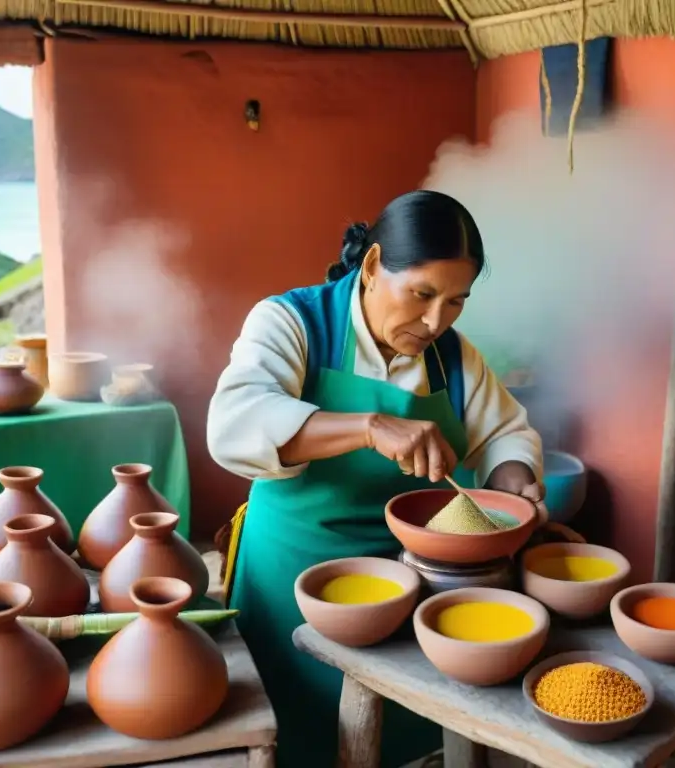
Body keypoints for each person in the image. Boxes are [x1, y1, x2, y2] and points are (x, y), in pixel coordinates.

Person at [206, 189, 545, 768]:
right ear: (370, 266)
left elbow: (506, 433)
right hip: (291, 575)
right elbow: (233, 425)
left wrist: (514, 479)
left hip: (406, 585)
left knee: (399, 740)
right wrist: (367, 426)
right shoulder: (293, 322)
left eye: (456, 302)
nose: (436, 320)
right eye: (422, 294)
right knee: (289, 733)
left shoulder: (452, 357)